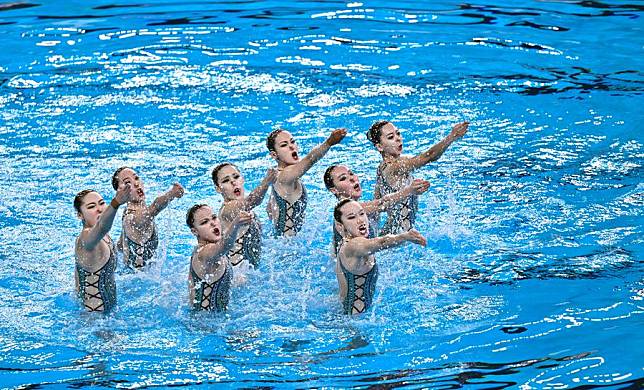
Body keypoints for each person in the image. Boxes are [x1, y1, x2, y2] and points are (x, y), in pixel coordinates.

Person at [367, 120, 469, 235]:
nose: (398, 138)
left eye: (398, 133)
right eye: (391, 137)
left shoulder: (381, 168)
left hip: (389, 234)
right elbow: (428, 156)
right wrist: (452, 136)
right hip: (400, 239)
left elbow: (376, 206)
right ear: (380, 147)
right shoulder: (395, 167)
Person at [333, 199, 426, 315]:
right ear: (341, 226)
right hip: (355, 323)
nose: (360, 220)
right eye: (351, 217)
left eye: (362, 214)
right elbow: (381, 243)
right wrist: (404, 237)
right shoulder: (352, 246)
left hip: (347, 315)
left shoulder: (346, 243)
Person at [323, 164, 430, 256]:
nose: (352, 179)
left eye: (351, 174)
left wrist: (381, 176)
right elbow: (381, 204)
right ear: (334, 190)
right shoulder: (347, 209)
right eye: (343, 178)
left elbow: (377, 203)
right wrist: (409, 190)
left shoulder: (363, 207)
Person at [266, 127, 346, 237]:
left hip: (282, 243)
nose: (291, 146)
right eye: (284, 145)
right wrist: (329, 142)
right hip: (290, 249)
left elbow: (269, 209)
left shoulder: (276, 175)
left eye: (292, 142)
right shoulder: (285, 176)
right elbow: (309, 159)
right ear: (274, 155)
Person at [111, 167, 184, 270]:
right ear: (120, 192)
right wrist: (171, 194)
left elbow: (120, 245)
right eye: (128, 182)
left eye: (136, 178)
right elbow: (154, 208)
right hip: (136, 280)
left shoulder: (127, 211)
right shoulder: (132, 218)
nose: (136, 184)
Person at [74, 185, 131, 312]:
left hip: (109, 314)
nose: (99, 209)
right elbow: (102, 227)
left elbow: (78, 279)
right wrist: (116, 203)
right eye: (91, 207)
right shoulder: (85, 238)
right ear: (80, 215)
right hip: (95, 319)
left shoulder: (104, 237)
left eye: (101, 203)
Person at [186, 204, 253, 312]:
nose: (213, 223)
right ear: (195, 231)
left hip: (215, 321)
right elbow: (224, 245)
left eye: (214, 217)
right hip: (205, 326)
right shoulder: (204, 253)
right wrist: (235, 223)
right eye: (204, 222)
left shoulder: (209, 251)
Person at [212, 163, 277, 268]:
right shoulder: (228, 210)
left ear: (242, 179)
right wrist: (266, 182)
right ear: (218, 189)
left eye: (236, 177)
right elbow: (251, 200)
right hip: (238, 276)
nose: (233, 182)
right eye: (226, 180)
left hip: (253, 271)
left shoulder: (249, 212)